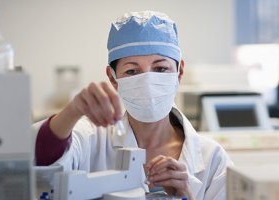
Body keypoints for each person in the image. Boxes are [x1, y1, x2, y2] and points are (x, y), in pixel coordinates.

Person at [32, 11, 233, 200]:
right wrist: (73, 110)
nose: (147, 81)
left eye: (160, 68)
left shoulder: (213, 159)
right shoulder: (91, 139)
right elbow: (40, 158)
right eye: (132, 72)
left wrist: (187, 195)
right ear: (112, 78)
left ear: (179, 72)